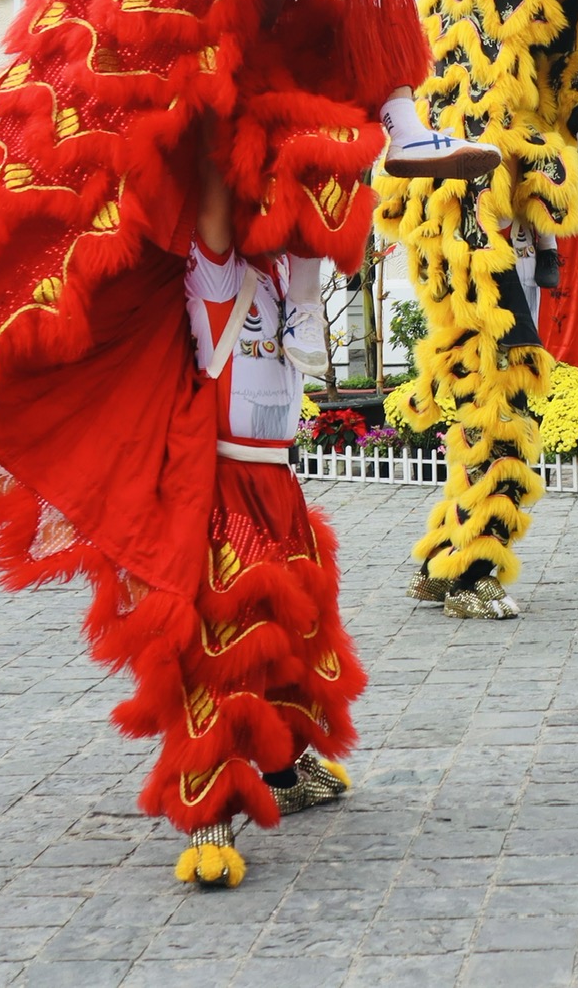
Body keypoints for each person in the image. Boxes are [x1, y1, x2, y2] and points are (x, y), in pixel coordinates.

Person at [169, 146, 355, 886]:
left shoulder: (288, 277)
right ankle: (208, 813)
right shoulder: (215, 269)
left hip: (278, 484)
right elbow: (215, 191)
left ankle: (284, 767)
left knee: (294, 640)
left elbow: (332, 213)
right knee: (222, 650)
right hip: (223, 487)